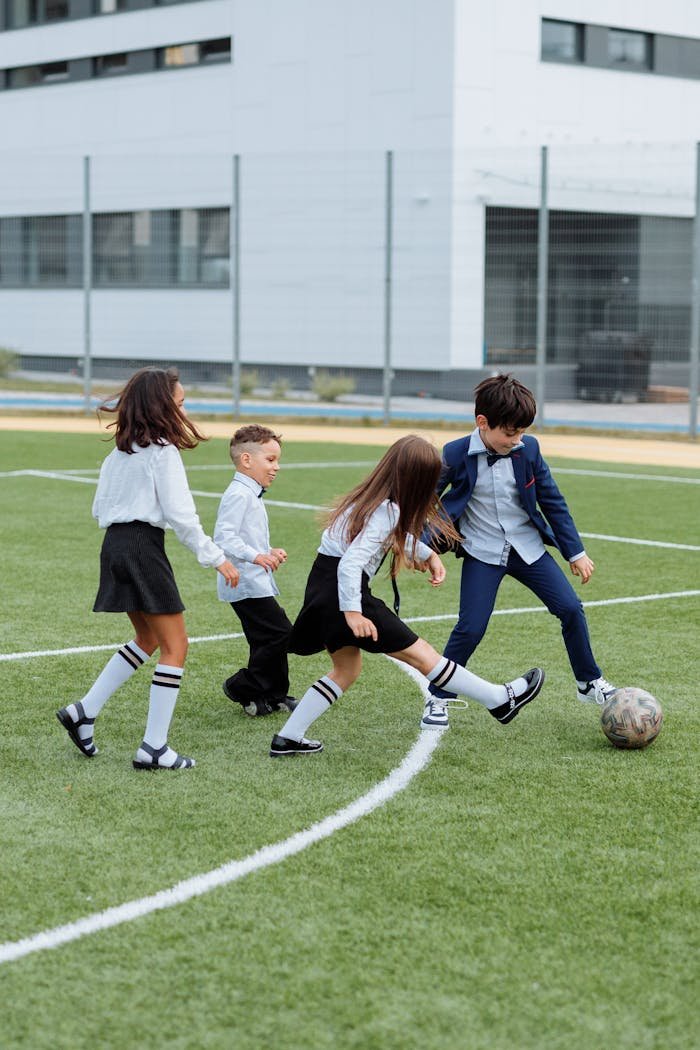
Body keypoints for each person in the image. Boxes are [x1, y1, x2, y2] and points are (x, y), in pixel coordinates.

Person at [269, 434, 544, 757]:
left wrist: (426, 554)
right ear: (415, 482)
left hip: (323, 589)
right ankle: (498, 699)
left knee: (346, 670)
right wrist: (353, 612)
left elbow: (387, 539)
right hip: (345, 592)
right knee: (423, 654)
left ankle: (289, 737)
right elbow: (351, 564)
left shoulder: (370, 501)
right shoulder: (386, 510)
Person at [56, 367, 239, 770]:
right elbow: (182, 516)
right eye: (180, 402)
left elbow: (98, 509)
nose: (184, 408)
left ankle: (84, 711)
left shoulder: (117, 454)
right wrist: (217, 557)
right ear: (162, 406)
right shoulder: (162, 452)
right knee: (177, 645)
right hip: (142, 547)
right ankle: (154, 748)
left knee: (148, 638)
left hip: (114, 547)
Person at [422, 373, 615, 730]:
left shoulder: (529, 450)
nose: (517, 440)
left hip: (526, 548)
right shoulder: (455, 453)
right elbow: (425, 500)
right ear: (482, 422)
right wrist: (419, 547)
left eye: (522, 432)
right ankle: (438, 696)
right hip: (482, 551)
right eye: (510, 433)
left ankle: (588, 682)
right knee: (471, 627)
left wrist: (575, 552)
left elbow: (552, 501)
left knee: (571, 608)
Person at [214, 424, 297, 717]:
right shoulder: (239, 494)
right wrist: (256, 556)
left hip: (254, 580)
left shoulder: (252, 493)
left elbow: (247, 537)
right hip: (244, 583)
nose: (276, 467)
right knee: (281, 633)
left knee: (265, 638)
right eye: (270, 460)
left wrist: (268, 551)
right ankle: (241, 686)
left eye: (277, 460)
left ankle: (272, 696)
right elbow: (224, 537)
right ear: (247, 460)